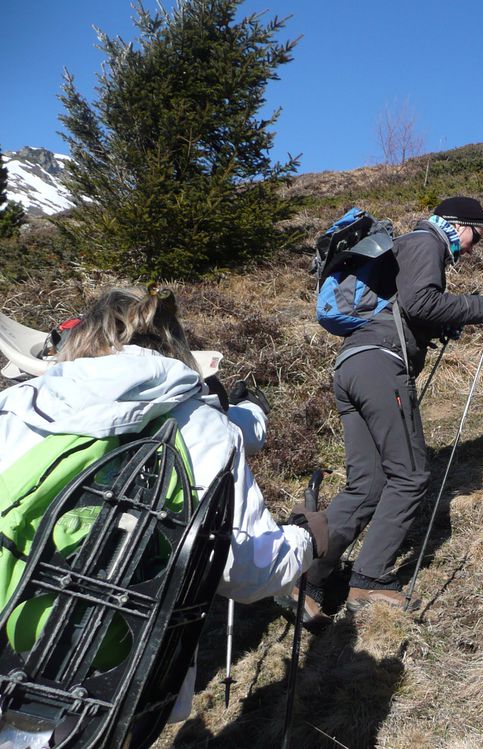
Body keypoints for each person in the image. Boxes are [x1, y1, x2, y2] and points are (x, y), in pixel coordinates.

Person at [0, 285, 328, 715]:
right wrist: (304, 538)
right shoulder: (204, 425)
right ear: (175, 342)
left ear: (85, 336)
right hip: (115, 679)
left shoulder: (16, 405)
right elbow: (246, 571)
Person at [292, 196, 483, 622]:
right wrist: (482, 307)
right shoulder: (426, 241)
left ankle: (308, 580)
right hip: (381, 365)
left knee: (367, 485)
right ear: (457, 224)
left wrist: (442, 324)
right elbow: (421, 302)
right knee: (410, 475)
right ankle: (370, 579)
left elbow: (410, 307)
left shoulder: (407, 247)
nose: (472, 247)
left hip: (353, 365)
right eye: (476, 236)